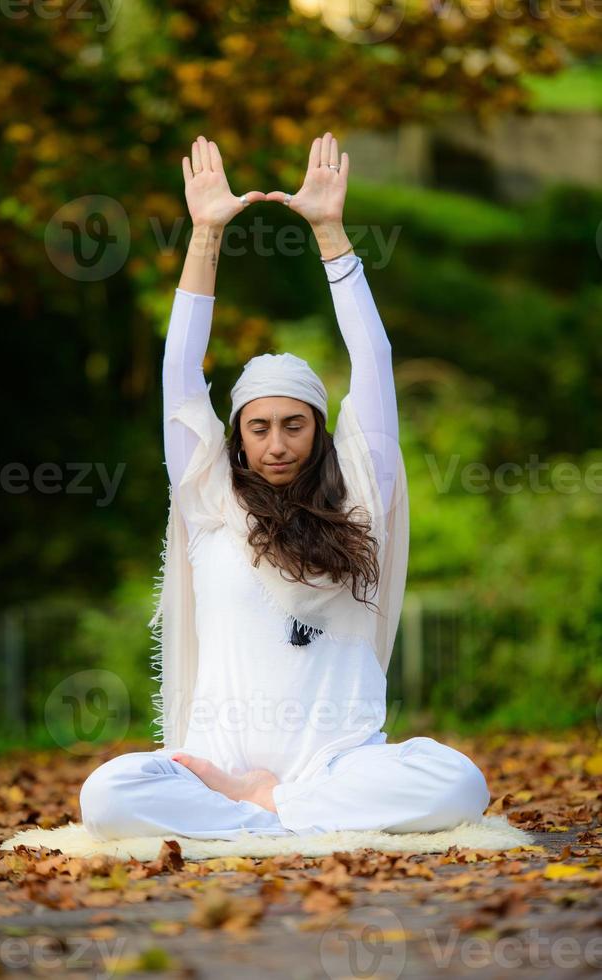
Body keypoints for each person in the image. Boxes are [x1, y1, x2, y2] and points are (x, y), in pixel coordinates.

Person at [79, 132, 490, 842]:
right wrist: (206, 234)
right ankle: (265, 811)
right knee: (106, 796)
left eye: (294, 425)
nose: (276, 443)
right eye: (259, 427)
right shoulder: (210, 500)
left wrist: (330, 232)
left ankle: (262, 814)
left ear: (319, 430)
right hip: (218, 762)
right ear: (236, 435)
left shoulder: (362, 495)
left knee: (460, 781)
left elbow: (375, 357)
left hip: (337, 767)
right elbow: (180, 369)